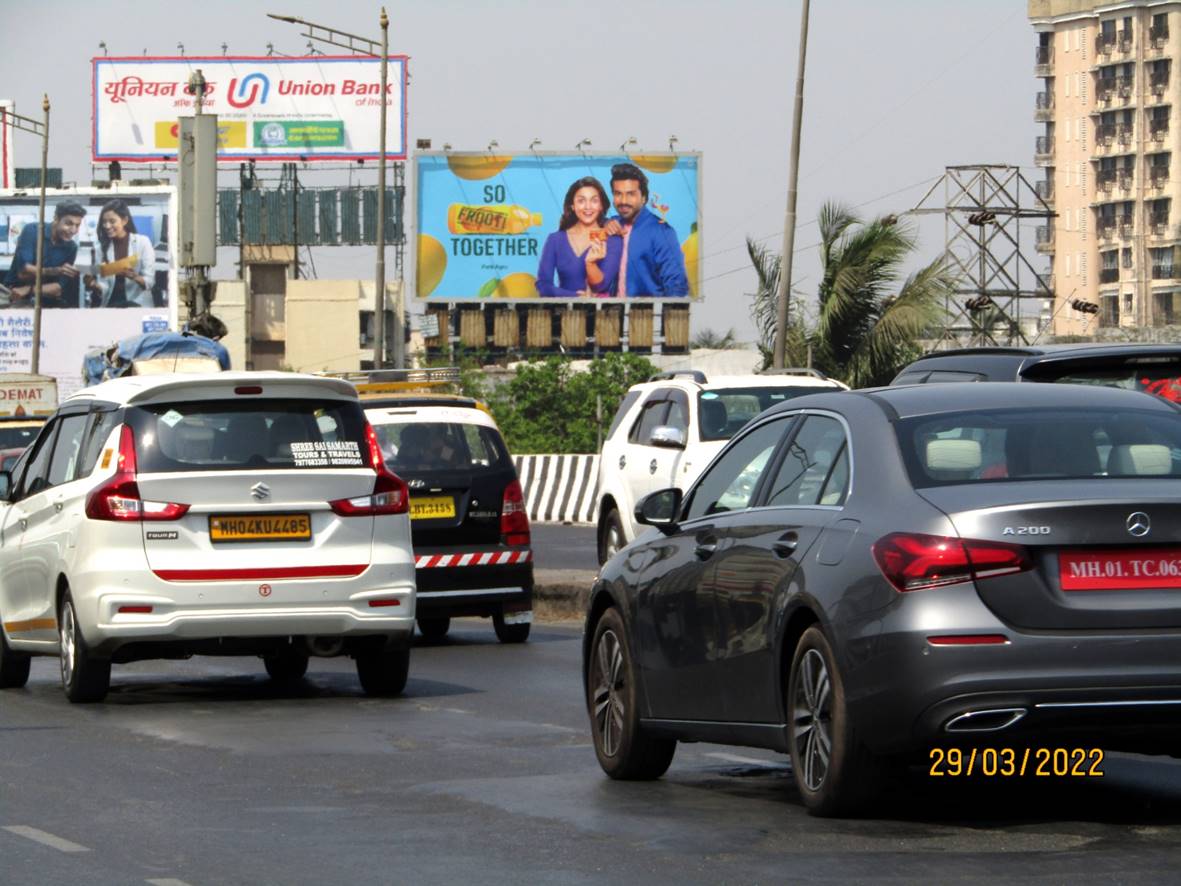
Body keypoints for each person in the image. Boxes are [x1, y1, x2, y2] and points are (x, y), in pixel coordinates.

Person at [604, 163, 690, 297]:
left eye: (631, 194)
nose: (623, 201)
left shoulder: (662, 231)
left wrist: (666, 315)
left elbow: (677, 284)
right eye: (618, 194)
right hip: (613, 314)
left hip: (645, 315)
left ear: (644, 198)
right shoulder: (612, 224)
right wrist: (605, 223)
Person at [536, 177, 622, 297]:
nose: (588, 207)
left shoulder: (613, 240)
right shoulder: (555, 240)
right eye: (581, 201)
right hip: (564, 313)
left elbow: (602, 286)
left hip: (601, 314)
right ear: (572, 205)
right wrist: (575, 297)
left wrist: (590, 263)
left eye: (594, 200)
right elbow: (543, 286)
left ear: (601, 205)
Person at [3, 201, 87, 308]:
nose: (73, 230)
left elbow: (57, 288)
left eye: (77, 225)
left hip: (43, 299)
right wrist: (56, 271)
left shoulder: (71, 247)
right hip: (13, 295)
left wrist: (28, 290)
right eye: (68, 223)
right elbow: (24, 271)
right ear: (56, 218)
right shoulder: (32, 230)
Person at [84, 199, 156, 308]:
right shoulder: (100, 248)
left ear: (124, 221)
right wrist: (93, 284)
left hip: (137, 302)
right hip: (111, 303)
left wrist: (135, 277)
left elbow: (150, 281)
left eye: (112, 221)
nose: (107, 226)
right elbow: (104, 285)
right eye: (104, 222)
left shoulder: (142, 242)